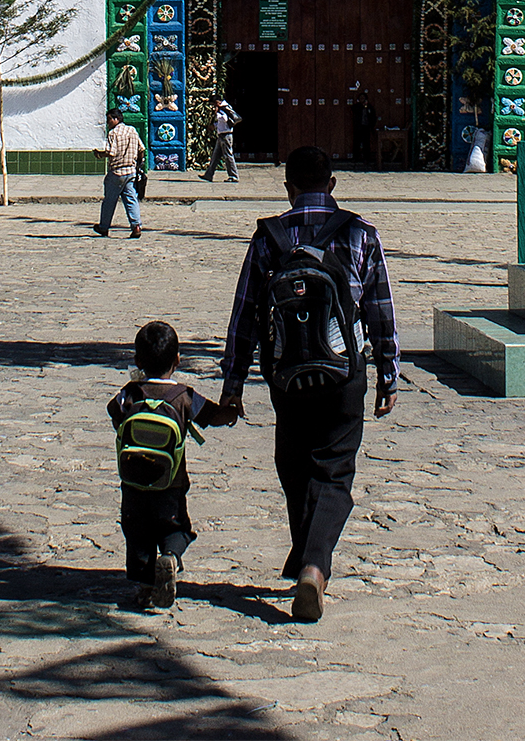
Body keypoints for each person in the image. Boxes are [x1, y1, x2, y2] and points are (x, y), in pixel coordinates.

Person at [218, 144, 399, 622]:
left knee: (293, 463)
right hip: (344, 373)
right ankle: (315, 566)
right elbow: (380, 310)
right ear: (332, 185)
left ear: (288, 188)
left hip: (286, 374)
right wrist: (388, 373)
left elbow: (246, 314)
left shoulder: (268, 238)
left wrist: (234, 382)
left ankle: (305, 555)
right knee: (335, 470)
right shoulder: (362, 235)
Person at [107, 319, 237, 608]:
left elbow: (112, 410)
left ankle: (143, 587)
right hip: (171, 484)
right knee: (177, 528)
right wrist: (230, 413)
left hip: (133, 484)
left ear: (138, 360)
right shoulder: (183, 397)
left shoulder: (130, 392)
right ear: (178, 359)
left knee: (137, 534)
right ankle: (170, 558)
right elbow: (212, 415)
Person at [93, 107, 146, 237]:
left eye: (109, 119)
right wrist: (139, 163)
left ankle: (104, 227)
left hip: (117, 172)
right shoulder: (132, 130)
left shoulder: (113, 133)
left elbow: (112, 152)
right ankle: (136, 226)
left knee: (109, 201)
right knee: (131, 199)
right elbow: (141, 149)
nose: (108, 122)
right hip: (131, 171)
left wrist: (100, 155)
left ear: (116, 119)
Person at [203, 95, 240, 183]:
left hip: (226, 135)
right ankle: (209, 175)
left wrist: (217, 112)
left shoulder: (223, 108)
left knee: (228, 155)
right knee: (215, 156)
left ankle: (233, 176)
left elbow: (224, 119)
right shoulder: (224, 108)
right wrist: (215, 126)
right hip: (221, 134)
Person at [349, 86, 377, 167]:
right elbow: (353, 109)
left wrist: (372, 125)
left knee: (366, 144)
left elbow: (373, 116)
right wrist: (361, 105)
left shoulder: (369, 107)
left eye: (363, 98)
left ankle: (366, 158)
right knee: (356, 143)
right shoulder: (357, 106)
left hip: (366, 127)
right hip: (358, 127)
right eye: (360, 98)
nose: (362, 99)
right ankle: (355, 158)